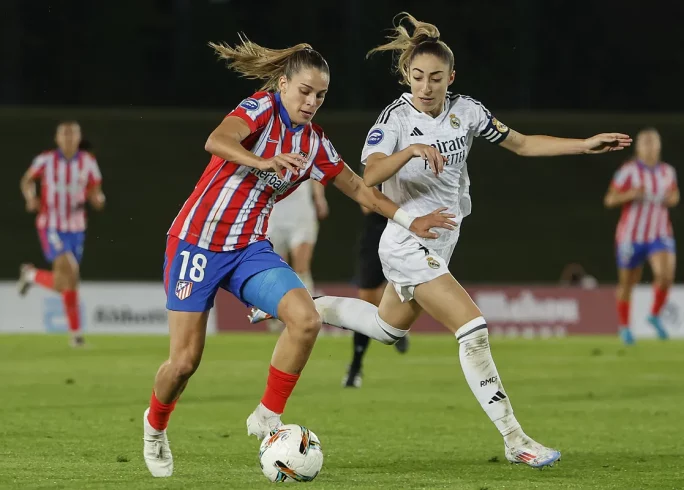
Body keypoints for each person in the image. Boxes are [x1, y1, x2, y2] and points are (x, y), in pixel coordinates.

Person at [262, 13, 631, 468]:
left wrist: (584, 144)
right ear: (406, 77)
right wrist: (411, 150)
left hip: (440, 242)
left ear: (450, 77)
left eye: (436, 78)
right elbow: (368, 176)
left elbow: (521, 144)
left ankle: (297, 302)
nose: (425, 86)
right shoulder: (395, 119)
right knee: (472, 329)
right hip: (404, 241)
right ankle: (515, 440)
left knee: (386, 328)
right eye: (417, 77)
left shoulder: (467, 112)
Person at [142, 34, 455, 478]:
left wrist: (409, 220)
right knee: (184, 364)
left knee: (306, 318)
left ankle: (267, 416)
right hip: (197, 243)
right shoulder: (261, 108)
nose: (311, 102)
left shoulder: (313, 144)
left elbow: (360, 190)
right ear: (284, 85)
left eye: (321, 95)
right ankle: (155, 427)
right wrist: (262, 161)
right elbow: (217, 140)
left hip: (250, 250)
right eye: (305, 91)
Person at [17, 121, 105, 347]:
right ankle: (76, 336)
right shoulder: (46, 160)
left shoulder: (88, 162)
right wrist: (30, 197)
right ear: (57, 139)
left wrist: (98, 199)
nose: (68, 138)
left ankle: (32, 276)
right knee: (71, 271)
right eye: (64, 134)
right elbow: (27, 180)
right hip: (51, 225)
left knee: (65, 282)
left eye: (72, 134)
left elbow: (96, 191)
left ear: (78, 138)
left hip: (76, 229)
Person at [604, 128, 679, 345]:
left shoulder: (667, 172)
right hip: (630, 236)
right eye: (645, 142)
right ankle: (625, 328)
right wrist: (630, 194)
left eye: (653, 142)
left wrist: (671, 199)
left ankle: (654, 314)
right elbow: (609, 199)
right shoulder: (628, 171)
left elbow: (675, 194)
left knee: (665, 276)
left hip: (660, 233)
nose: (649, 146)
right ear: (638, 147)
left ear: (659, 146)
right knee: (628, 283)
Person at [343, 194, 409, 388]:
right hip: (376, 233)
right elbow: (367, 204)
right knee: (367, 301)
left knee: (407, 291)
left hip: (407, 233)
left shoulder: (418, 162)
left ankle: (398, 323)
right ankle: (356, 365)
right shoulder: (376, 162)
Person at [264, 179, 327, 332]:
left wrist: (319, 197)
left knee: (301, 268)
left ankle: (309, 316)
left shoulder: (304, 153)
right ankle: (277, 316)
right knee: (277, 270)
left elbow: (315, 170)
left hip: (301, 211)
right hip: (273, 212)